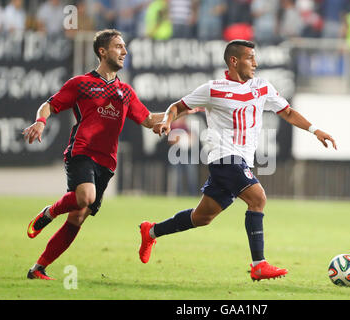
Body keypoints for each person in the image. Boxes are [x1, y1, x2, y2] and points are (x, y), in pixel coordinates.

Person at [139, 39, 337, 281]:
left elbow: (287, 112)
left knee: (202, 217)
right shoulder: (213, 89)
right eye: (249, 58)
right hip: (224, 158)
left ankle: (151, 231)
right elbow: (177, 106)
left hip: (241, 160)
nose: (255, 63)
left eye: (255, 57)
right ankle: (259, 265)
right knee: (258, 198)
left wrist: (315, 130)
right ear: (234, 61)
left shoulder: (262, 87)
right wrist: (168, 121)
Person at [22, 29, 177, 280]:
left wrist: (176, 111)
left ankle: (38, 268)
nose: (124, 51)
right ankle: (49, 212)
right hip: (82, 151)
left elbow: (148, 119)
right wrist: (40, 121)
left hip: (107, 162)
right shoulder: (81, 83)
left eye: (125, 46)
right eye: (118, 46)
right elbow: (49, 105)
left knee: (79, 217)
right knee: (85, 197)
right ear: (102, 51)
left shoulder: (125, 91)